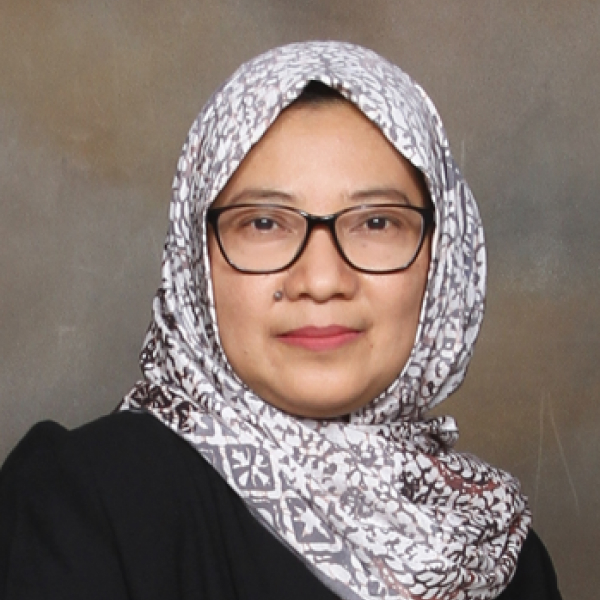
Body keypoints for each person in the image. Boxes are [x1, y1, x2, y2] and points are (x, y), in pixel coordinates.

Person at [0, 41, 561, 600]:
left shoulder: (496, 549)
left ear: (441, 262)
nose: (321, 279)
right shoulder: (85, 503)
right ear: (196, 263)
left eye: (376, 222)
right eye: (264, 223)